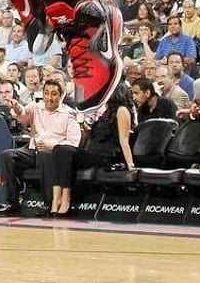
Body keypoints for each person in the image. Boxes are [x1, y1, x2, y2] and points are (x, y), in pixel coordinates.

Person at [43, 86, 135, 216]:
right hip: (93, 152)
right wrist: (82, 124)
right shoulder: (104, 112)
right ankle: (56, 199)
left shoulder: (122, 111)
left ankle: (66, 199)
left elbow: (124, 140)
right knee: (59, 149)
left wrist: (130, 165)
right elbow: (91, 136)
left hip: (107, 155)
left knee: (65, 151)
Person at [0, 78, 81, 215]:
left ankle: (50, 204)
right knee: (7, 155)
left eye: (54, 94)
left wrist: (52, 146)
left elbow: (73, 144)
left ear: (61, 95)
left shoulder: (69, 114)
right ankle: (12, 202)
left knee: (45, 154)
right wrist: (16, 106)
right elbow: (22, 114)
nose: (49, 98)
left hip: (54, 155)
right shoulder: (36, 107)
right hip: (33, 151)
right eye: (46, 93)